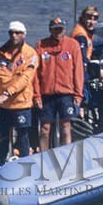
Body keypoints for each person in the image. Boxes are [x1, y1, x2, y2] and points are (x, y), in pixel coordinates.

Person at [0, 22, 40, 162]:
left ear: (24, 35)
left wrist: (6, 94)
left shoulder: (30, 54)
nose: (14, 36)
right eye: (11, 33)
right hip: (3, 105)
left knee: (22, 137)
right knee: (3, 137)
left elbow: (25, 78)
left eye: (17, 33)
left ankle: (25, 166)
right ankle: (1, 164)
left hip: (21, 103)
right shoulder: (1, 52)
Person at [36, 17, 85, 150]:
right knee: (45, 128)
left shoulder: (72, 44)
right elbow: (36, 73)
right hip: (47, 94)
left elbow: (78, 71)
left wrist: (78, 94)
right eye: (55, 29)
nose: (58, 31)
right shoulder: (41, 45)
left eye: (60, 29)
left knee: (66, 126)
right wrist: (37, 95)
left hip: (66, 94)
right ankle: (43, 156)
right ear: (50, 30)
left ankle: (66, 155)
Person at [72, 5, 102, 112]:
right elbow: (81, 59)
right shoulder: (80, 35)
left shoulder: (88, 33)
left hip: (83, 69)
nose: (92, 21)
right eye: (89, 18)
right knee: (87, 96)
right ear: (83, 18)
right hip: (80, 73)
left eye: (95, 19)